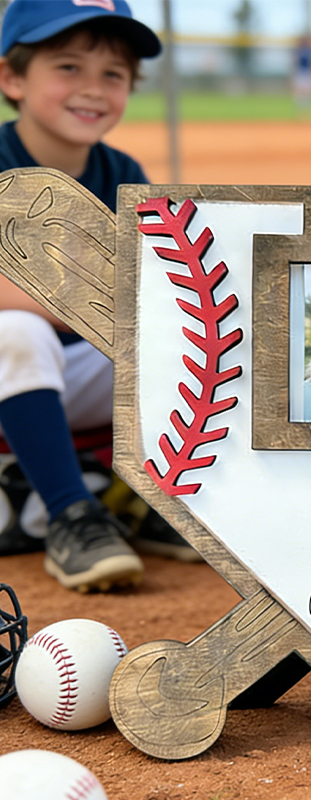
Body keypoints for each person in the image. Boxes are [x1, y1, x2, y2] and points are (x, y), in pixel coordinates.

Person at [0, 0, 197, 592]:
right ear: (12, 77)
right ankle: (71, 514)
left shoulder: (124, 173)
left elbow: (162, 285)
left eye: (112, 74)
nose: (92, 88)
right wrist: (97, 305)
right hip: (13, 365)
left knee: (194, 338)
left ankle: (157, 499)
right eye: (67, 67)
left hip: (75, 373)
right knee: (15, 331)